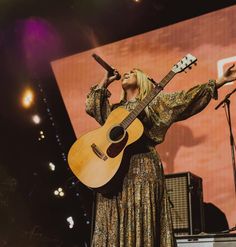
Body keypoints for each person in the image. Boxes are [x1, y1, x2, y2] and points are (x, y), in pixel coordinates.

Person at [85, 64, 236, 247]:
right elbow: (92, 106)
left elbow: (186, 99)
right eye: (126, 72)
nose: (127, 73)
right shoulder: (116, 111)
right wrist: (105, 80)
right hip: (113, 176)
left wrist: (219, 82)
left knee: (142, 219)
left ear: (144, 81)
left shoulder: (156, 102)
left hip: (142, 170)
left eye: (133, 72)